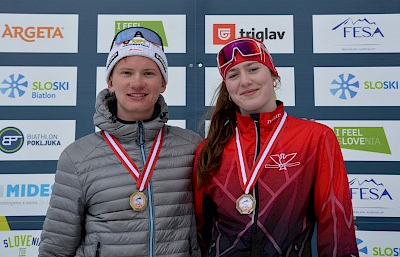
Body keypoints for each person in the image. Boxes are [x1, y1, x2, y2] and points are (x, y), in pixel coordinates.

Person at [39, 27, 202, 256]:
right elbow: (56, 247)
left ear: (163, 83)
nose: (137, 84)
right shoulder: (77, 157)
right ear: (111, 82)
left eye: (148, 73)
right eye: (126, 73)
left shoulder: (191, 147)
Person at [193, 37, 359, 256]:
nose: (245, 81)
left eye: (253, 69)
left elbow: (336, 222)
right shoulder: (209, 148)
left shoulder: (315, 138)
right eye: (233, 75)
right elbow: (200, 229)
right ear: (228, 87)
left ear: (273, 75)